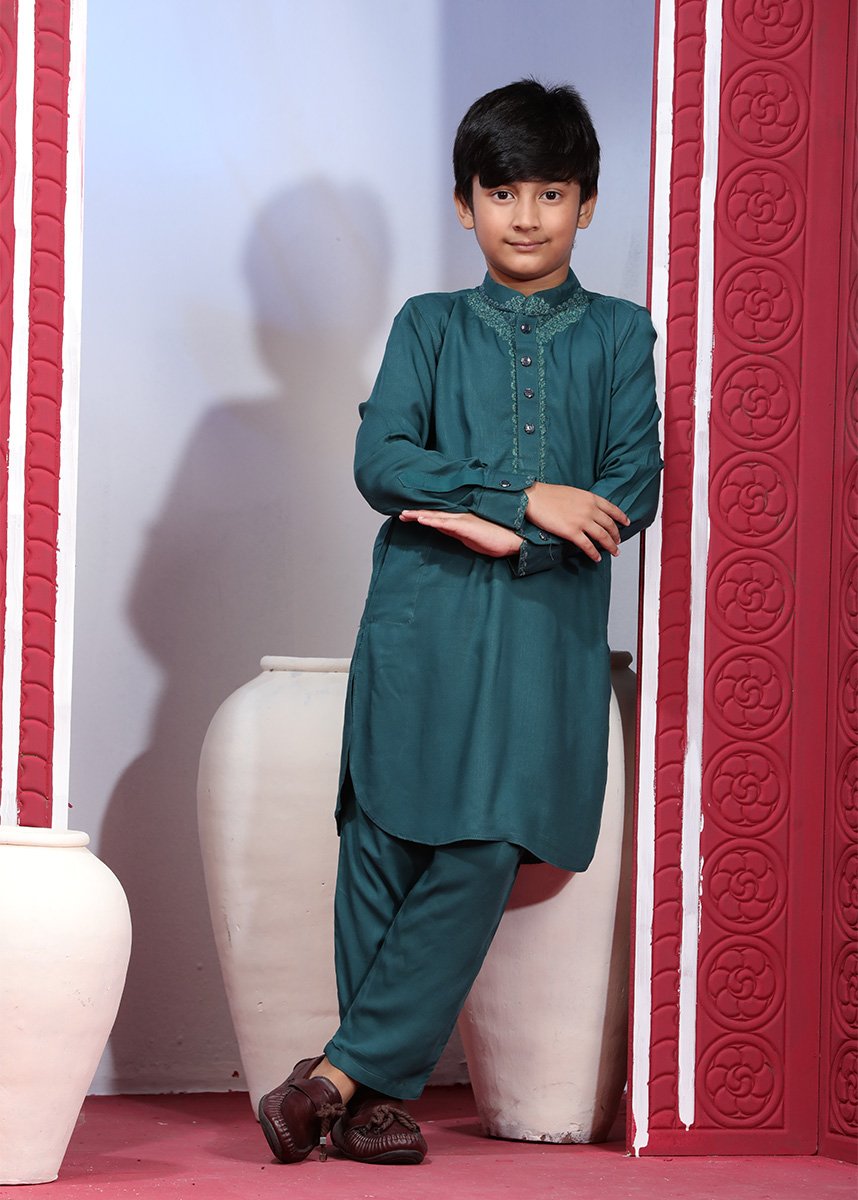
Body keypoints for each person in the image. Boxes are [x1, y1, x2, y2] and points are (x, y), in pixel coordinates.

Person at [258, 79, 662, 1167]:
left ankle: (332, 1079)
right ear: (463, 203)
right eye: (502, 192)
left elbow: (628, 488)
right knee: (382, 835)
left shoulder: (621, 335)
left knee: (486, 840)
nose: (526, 216)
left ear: (587, 205)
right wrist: (523, 499)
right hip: (420, 620)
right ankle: (372, 1108)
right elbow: (381, 462)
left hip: (542, 635)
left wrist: (478, 517)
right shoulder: (427, 326)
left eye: (551, 193)